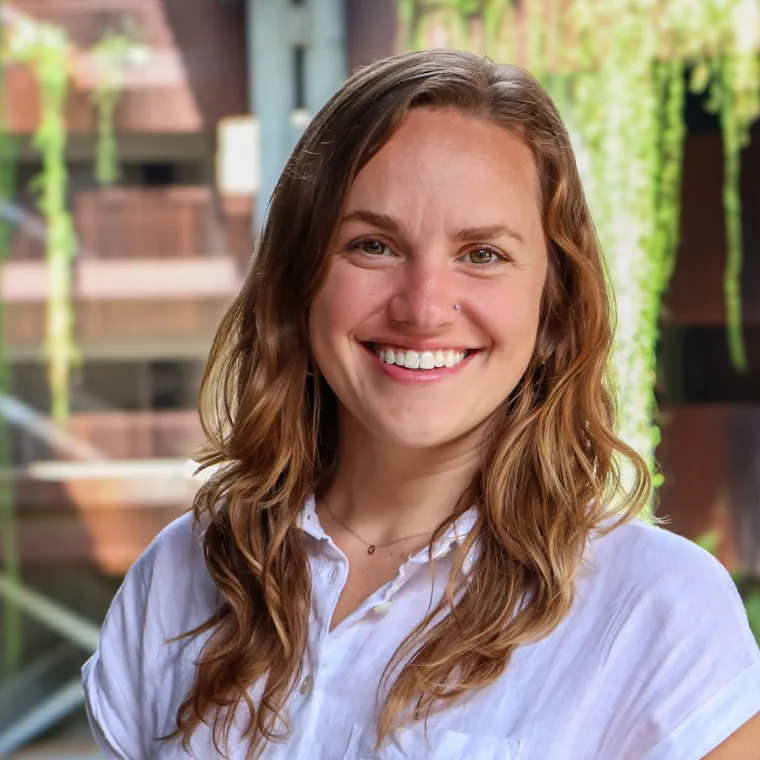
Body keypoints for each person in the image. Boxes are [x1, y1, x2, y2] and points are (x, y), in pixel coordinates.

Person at [81, 49, 760, 759]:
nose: (424, 307)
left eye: (483, 254)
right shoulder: (182, 573)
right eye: (372, 245)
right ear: (298, 279)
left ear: (551, 299)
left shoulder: (660, 610)